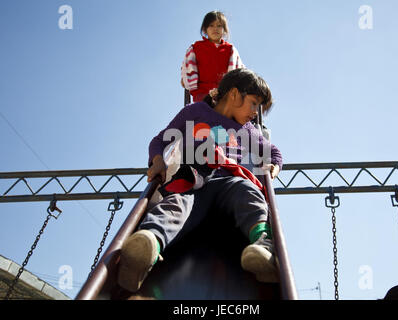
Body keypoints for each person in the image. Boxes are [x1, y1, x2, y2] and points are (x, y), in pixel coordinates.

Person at [117, 68, 282, 293]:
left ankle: (263, 246)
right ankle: (147, 246)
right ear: (234, 94)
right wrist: (157, 161)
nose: (255, 111)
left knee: (247, 191)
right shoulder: (195, 112)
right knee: (175, 204)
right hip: (194, 181)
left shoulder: (248, 130)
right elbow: (159, 141)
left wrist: (274, 166)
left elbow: (273, 152)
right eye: (253, 103)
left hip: (228, 184)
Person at [181, 11, 244, 103]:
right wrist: (186, 81)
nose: (215, 29)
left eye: (219, 26)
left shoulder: (230, 50)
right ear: (205, 29)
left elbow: (239, 72)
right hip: (202, 93)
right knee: (205, 109)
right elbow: (187, 71)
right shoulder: (196, 48)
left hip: (224, 94)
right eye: (211, 25)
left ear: (224, 30)